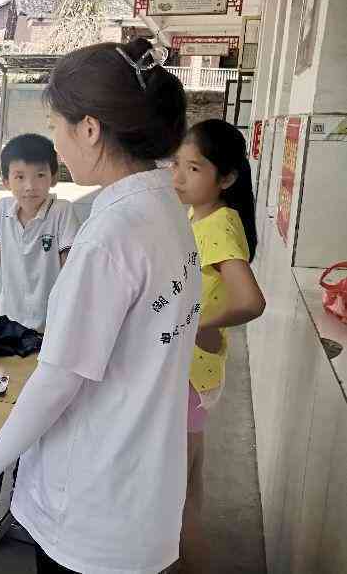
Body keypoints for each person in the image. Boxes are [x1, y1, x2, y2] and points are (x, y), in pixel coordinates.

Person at [0, 37, 199, 574]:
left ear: (89, 129)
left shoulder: (109, 234)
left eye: (56, 125)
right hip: (143, 492)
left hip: (94, 503)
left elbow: (58, 381)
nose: (56, 143)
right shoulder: (165, 207)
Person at [172, 119, 265, 572]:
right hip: (196, 371)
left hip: (191, 375)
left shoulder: (220, 224)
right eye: (177, 166)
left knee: (177, 499)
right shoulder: (202, 217)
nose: (179, 178)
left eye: (193, 169)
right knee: (189, 490)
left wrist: (200, 324)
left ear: (225, 178)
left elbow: (251, 301)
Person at [0, 133, 80, 332]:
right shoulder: (3, 209)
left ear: (53, 178)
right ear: (6, 181)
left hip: (50, 324)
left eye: (40, 175)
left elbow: (71, 271)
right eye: (20, 177)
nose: (30, 186)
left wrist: (66, 324)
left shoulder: (61, 211)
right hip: (7, 318)